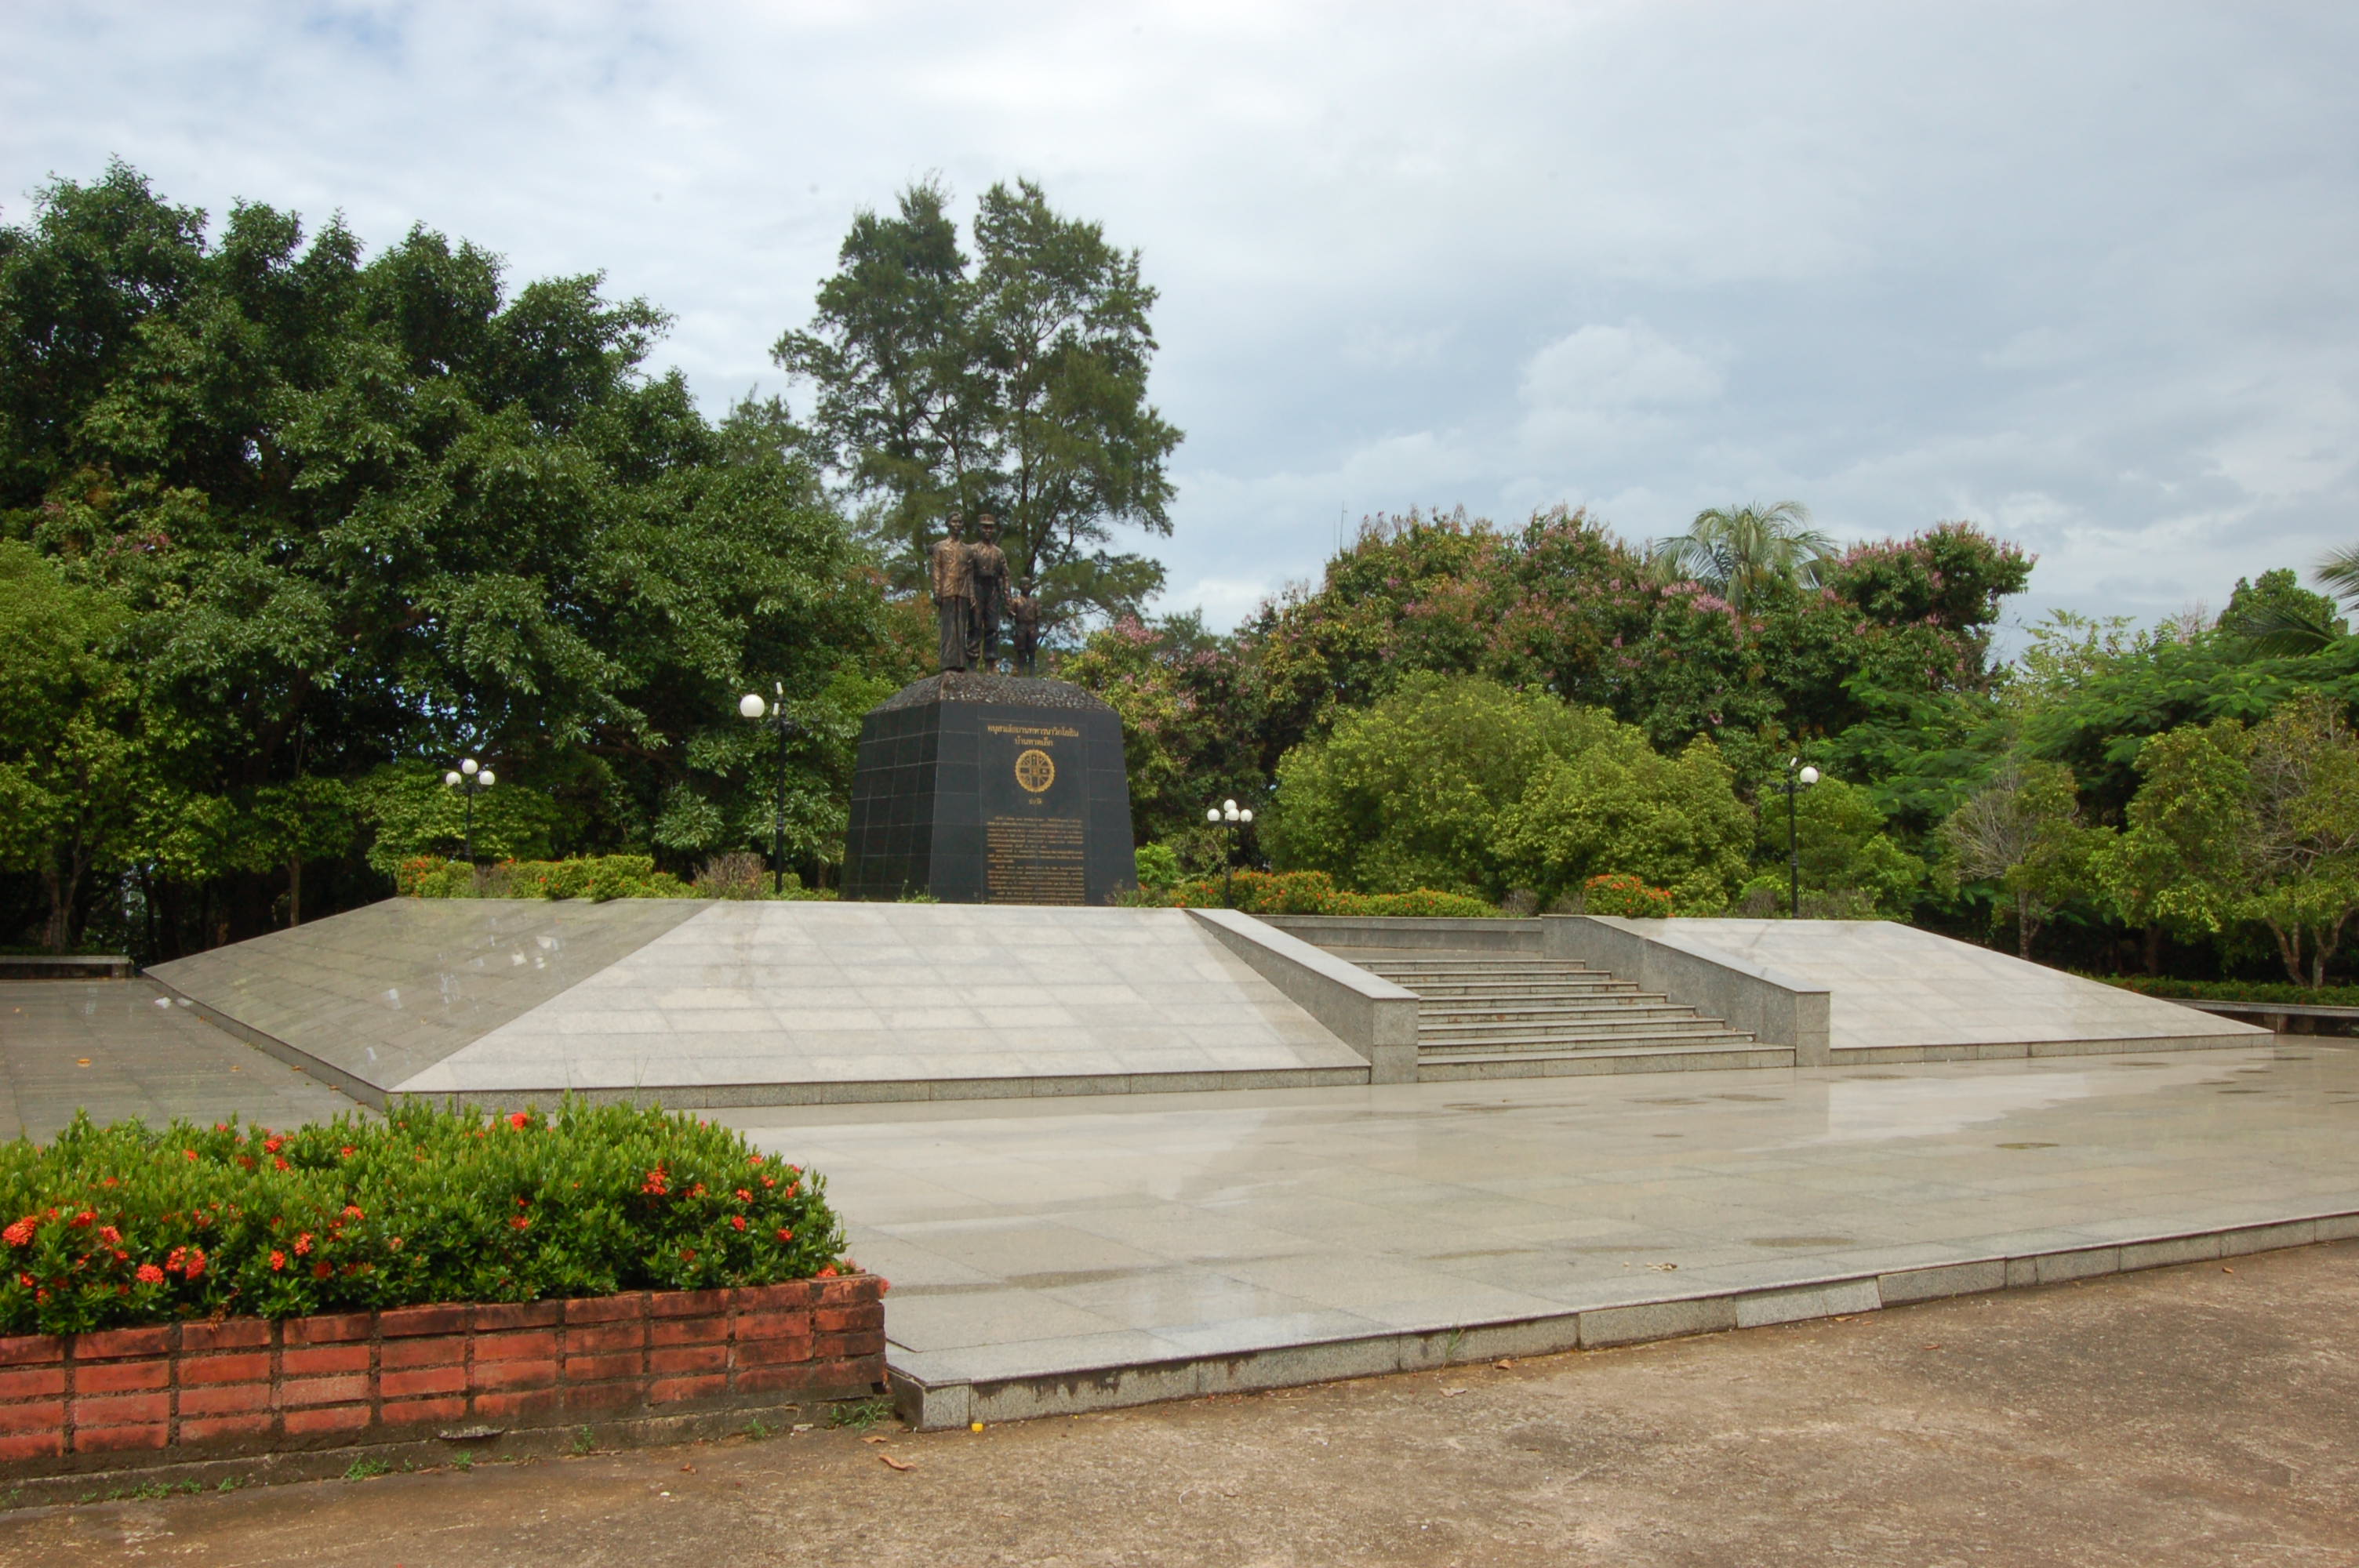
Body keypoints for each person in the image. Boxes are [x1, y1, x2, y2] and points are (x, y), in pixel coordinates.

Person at [929, 514, 974, 671]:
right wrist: (936, 590)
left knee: (961, 628)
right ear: (947, 524)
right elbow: (936, 570)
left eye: (960, 522)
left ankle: (961, 663)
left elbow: (970, 574)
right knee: (948, 628)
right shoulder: (940, 547)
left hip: (963, 592)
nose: (957, 525)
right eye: (954, 522)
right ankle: (947, 662)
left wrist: (972, 595)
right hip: (946, 590)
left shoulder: (967, 550)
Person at [967, 514, 1010, 670]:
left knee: (992, 627)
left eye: (990, 527)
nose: (988, 530)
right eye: (985, 527)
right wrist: (970, 595)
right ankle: (972, 662)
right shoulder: (972, 550)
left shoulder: (999, 553)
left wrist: (1008, 601)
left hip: (993, 590)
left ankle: (990, 663)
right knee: (975, 626)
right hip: (977, 588)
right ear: (979, 528)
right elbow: (968, 575)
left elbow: (1005, 576)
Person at [1008, 577, 1041, 676]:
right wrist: (1010, 612)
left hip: (1032, 627)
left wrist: (1037, 630)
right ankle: (1021, 673)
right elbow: (1010, 615)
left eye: (1028, 584)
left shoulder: (1035, 601)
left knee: (1032, 652)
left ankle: (1032, 674)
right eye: (1024, 584)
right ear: (1020, 586)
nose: (1026, 587)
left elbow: (1038, 616)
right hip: (1020, 627)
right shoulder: (1015, 601)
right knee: (1021, 652)